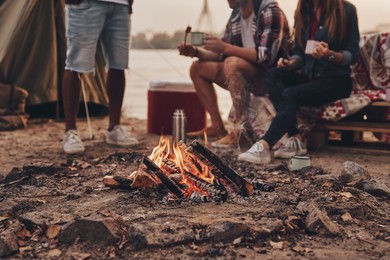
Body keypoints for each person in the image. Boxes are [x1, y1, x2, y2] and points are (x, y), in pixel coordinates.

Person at [238, 0, 360, 164]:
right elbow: (299, 54)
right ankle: (296, 138)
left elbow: (353, 54)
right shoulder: (304, 10)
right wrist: (290, 63)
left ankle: (264, 145)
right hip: (310, 78)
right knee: (273, 75)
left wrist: (330, 54)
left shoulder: (346, 10)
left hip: (336, 81)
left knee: (290, 93)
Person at [178, 0, 290, 148]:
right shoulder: (236, 15)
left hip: (271, 78)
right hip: (244, 72)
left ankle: (241, 131)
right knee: (197, 68)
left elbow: (266, 55)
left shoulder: (270, 11)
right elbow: (222, 55)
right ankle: (217, 126)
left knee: (232, 63)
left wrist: (224, 47)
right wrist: (196, 52)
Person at [62, 0, 137, 154]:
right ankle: (70, 132)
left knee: (119, 64)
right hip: (85, 4)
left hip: (120, 6)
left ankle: (114, 129)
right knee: (75, 64)